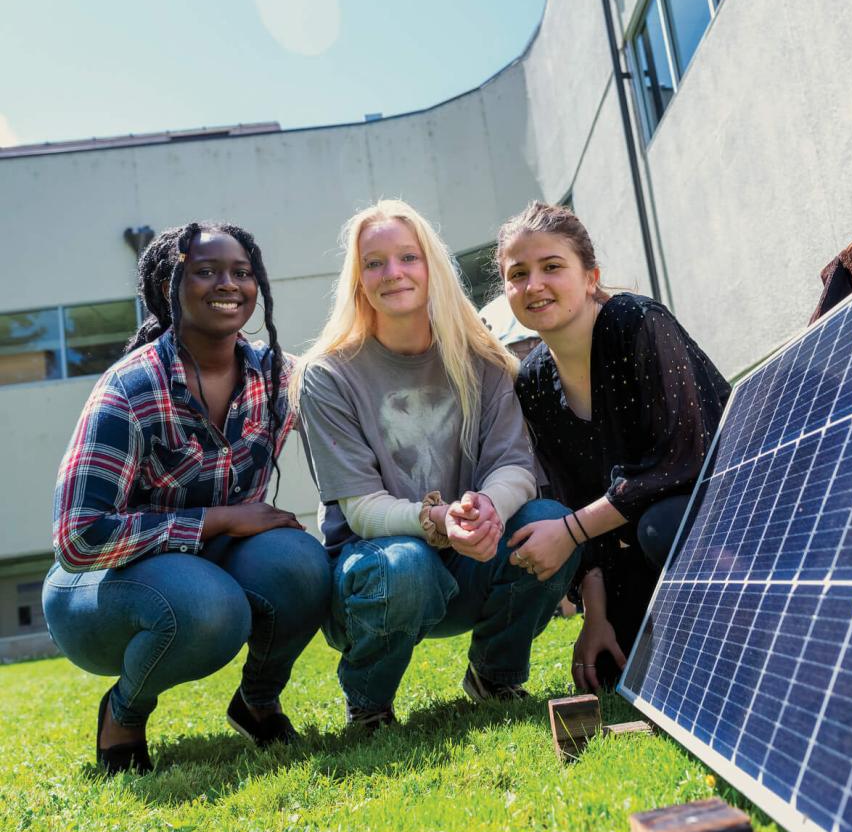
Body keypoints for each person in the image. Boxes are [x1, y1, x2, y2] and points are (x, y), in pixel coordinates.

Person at [43, 223, 332, 774]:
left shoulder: (278, 377)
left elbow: (352, 416)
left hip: (205, 564)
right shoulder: (131, 389)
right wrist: (221, 518)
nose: (229, 284)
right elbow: (79, 537)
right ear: (168, 286)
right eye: (206, 271)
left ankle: (258, 702)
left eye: (242, 272)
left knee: (303, 564)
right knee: (207, 606)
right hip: (100, 585)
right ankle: (124, 713)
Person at [290, 199, 580, 730]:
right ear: (358, 281)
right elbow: (361, 509)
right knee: (406, 565)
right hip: (377, 572)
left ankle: (495, 677)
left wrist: (486, 509)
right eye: (373, 263)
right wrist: (438, 520)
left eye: (407, 257)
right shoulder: (327, 375)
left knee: (547, 522)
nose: (392, 273)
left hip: (474, 557)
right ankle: (369, 704)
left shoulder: (484, 359)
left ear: (433, 268)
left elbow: (513, 464)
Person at [497, 203, 730, 692]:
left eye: (551, 266)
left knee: (661, 525)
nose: (534, 284)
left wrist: (570, 530)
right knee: (612, 669)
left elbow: (684, 462)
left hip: (723, 518)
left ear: (589, 277)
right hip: (632, 541)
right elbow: (574, 494)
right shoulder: (535, 380)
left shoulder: (636, 321)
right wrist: (594, 615)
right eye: (518, 274)